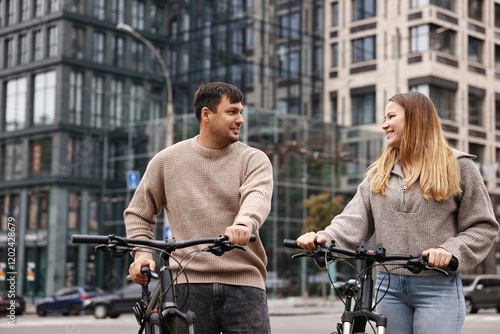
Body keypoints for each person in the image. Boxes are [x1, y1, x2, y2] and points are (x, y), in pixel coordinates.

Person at [296, 91, 499, 334]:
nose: (384, 124)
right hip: (386, 287)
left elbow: (483, 226)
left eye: (391, 116)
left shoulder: (459, 166)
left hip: (436, 287)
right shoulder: (378, 172)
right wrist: (324, 239)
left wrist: (449, 250)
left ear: (415, 119)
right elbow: (353, 220)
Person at [124, 82, 273, 333]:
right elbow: (138, 214)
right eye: (232, 112)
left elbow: (257, 197)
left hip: (244, 285)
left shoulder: (253, 159)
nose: (241, 119)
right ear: (206, 114)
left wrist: (244, 224)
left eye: (241, 112)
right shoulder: (165, 161)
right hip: (186, 287)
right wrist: (142, 254)